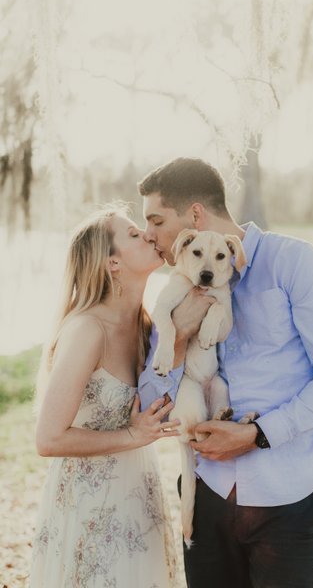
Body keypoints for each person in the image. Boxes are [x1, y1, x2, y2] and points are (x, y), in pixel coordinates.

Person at [137, 157, 313, 588]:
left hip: (287, 494)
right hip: (206, 495)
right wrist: (182, 332)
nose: (149, 235)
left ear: (194, 215)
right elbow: (151, 400)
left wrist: (257, 433)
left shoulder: (294, 263)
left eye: (156, 220)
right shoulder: (173, 291)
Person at [30, 203, 182, 588]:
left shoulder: (150, 328)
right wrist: (131, 435)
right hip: (89, 508)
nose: (149, 234)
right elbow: (48, 439)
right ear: (112, 263)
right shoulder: (87, 330)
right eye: (134, 234)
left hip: (139, 493)